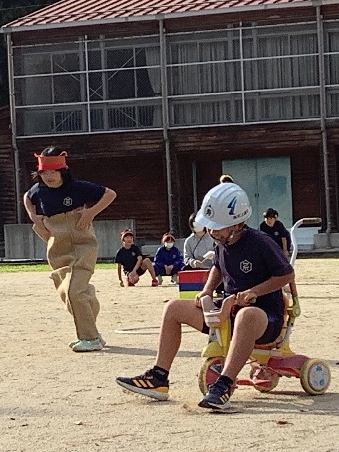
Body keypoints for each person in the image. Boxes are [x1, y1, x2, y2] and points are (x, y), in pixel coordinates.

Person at [116, 182, 294, 410]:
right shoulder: (222, 242)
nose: (212, 231)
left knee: (246, 316)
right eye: (209, 226)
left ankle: (225, 384)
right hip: (229, 310)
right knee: (173, 308)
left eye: (217, 227)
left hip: (264, 318)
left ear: (238, 224)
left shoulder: (261, 243)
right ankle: (159, 377)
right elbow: (218, 268)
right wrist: (208, 290)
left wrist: (253, 292)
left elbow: (287, 274)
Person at [23, 145, 116, 352]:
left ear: (62, 171)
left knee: (75, 290)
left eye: (53, 172)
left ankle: (89, 338)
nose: (49, 177)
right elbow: (27, 198)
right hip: (56, 245)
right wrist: (33, 216)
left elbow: (110, 194)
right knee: (68, 292)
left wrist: (90, 213)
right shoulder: (39, 190)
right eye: (44, 173)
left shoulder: (77, 187)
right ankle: (91, 316)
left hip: (82, 244)